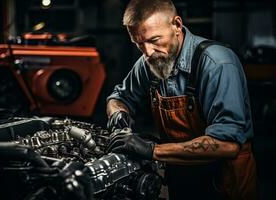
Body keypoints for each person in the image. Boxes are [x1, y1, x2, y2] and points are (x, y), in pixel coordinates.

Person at [106, 0, 257, 199]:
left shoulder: (217, 64)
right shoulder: (149, 61)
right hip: (182, 176)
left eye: (154, 40)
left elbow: (227, 145)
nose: (147, 52)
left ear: (177, 25)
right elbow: (119, 97)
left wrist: (152, 150)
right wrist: (118, 112)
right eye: (139, 43)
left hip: (225, 182)